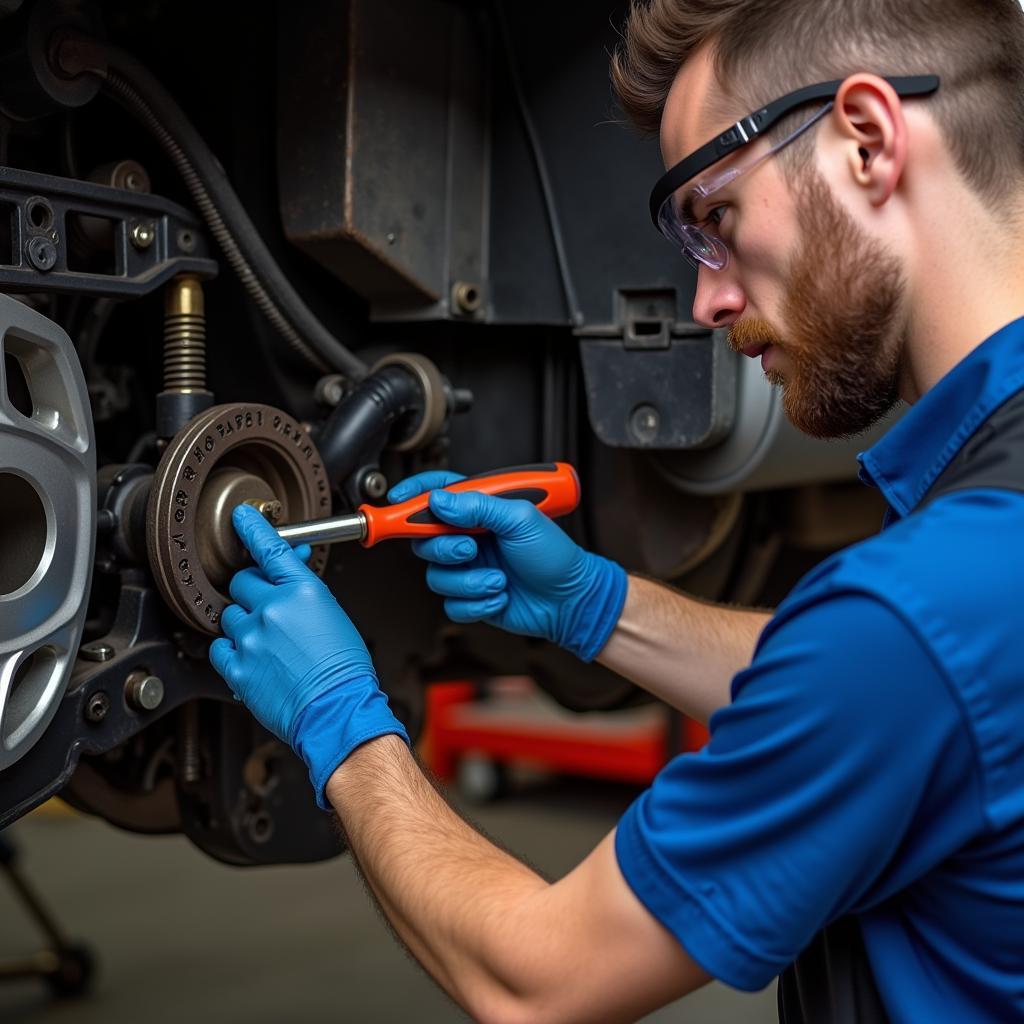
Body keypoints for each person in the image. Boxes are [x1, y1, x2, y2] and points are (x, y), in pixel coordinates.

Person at [209, 0, 1024, 1019]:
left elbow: (536, 978)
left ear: (866, 139)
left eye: (714, 220)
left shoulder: (926, 610)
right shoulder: (962, 591)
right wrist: (599, 605)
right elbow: (899, 701)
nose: (706, 304)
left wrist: (340, 725)